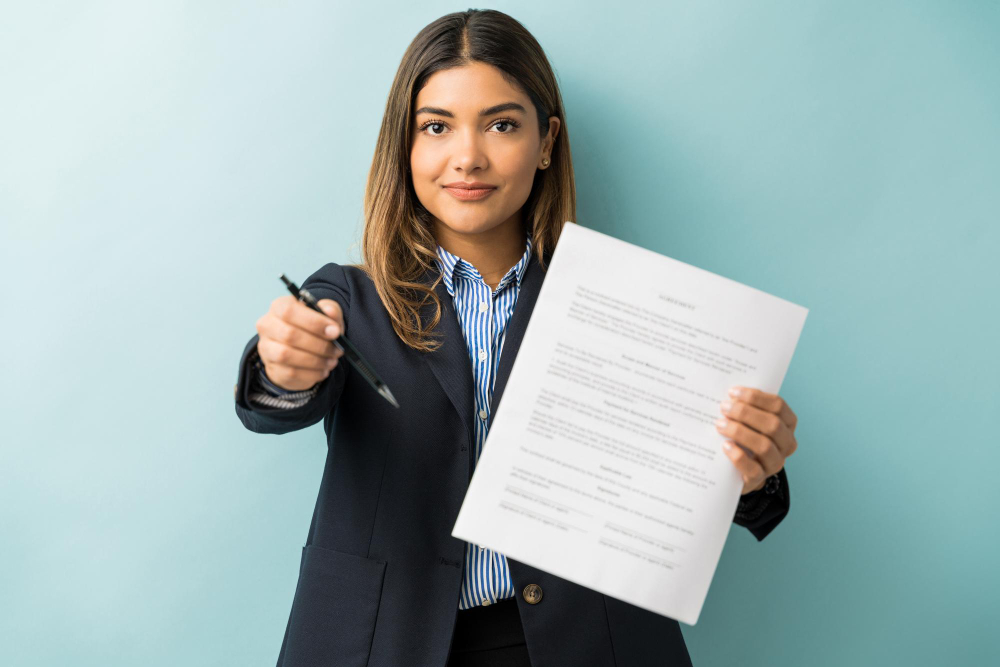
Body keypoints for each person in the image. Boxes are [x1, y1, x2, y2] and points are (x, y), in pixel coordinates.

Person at [233, 9, 798, 667]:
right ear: (405, 145)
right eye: (436, 126)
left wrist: (755, 464)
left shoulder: (624, 306)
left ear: (547, 140)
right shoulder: (349, 301)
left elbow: (720, 488)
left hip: (588, 644)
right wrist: (285, 367)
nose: (467, 156)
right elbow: (273, 395)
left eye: (501, 124)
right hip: (388, 643)